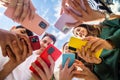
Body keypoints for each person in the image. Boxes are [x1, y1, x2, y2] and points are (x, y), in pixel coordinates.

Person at [62, 0, 120, 80]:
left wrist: (111, 42)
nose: (79, 33)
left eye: (78, 30)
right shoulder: (89, 58)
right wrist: (98, 63)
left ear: (83, 26)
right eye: (77, 35)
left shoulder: (102, 25)